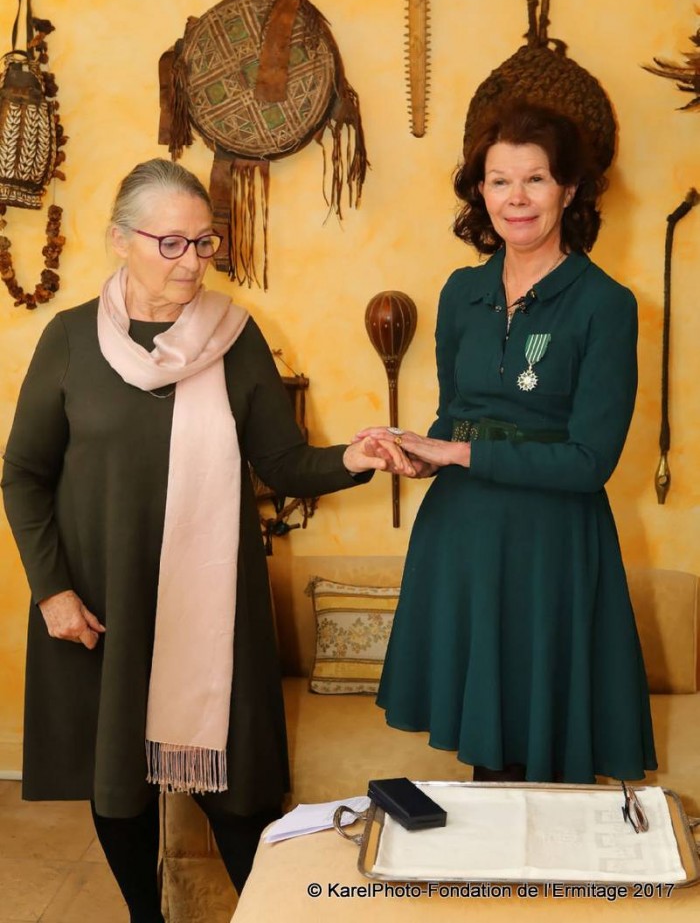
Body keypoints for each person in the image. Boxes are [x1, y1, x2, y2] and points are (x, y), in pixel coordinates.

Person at [1, 158, 410, 923]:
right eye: (171, 242)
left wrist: (355, 458)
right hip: (100, 601)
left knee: (239, 792)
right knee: (118, 787)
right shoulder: (70, 339)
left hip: (213, 605)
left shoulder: (236, 336)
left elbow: (282, 462)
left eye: (203, 241)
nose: (192, 260)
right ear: (120, 239)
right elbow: (23, 474)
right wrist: (52, 589)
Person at [359, 101, 657, 784]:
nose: (515, 199)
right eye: (499, 181)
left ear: (569, 190)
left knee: (542, 752)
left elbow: (590, 462)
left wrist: (458, 453)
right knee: (489, 757)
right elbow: (455, 418)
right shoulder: (460, 293)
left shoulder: (605, 304)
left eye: (535, 179)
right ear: (480, 192)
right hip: (460, 540)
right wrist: (415, 453)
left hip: (550, 547)